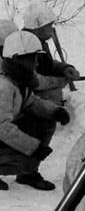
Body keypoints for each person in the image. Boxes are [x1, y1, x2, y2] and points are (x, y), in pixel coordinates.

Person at [0, 30, 69, 191]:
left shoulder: (17, 80)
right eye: (33, 59)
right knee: (27, 162)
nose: (37, 64)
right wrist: (34, 147)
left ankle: (28, 174)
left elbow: (31, 103)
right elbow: (2, 127)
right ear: (18, 59)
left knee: (45, 121)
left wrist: (54, 111)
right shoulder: (3, 87)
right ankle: (27, 169)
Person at [18, 1, 81, 104]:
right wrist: (58, 81)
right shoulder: (25, 46)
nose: (52, 29)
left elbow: (47, 64)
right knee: (53, 95)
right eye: (49, 26)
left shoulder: (38, 41)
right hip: (26, 99)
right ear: (38, 28)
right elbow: (34, 81)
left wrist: (64, 68)